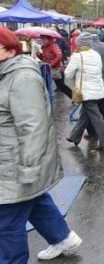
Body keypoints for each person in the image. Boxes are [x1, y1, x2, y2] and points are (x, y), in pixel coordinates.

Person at [0, 27, 83, 262]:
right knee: (34, 200)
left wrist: (29, 168)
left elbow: (34, 127)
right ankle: (62, 237)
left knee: (5, 224)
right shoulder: (6, 73)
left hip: (14, 164)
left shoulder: (22, 77)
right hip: (12, 160)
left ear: (8, 49)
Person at [64, 32, 104, 151]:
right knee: (84, 115)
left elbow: (67, 75)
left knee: (96, 117)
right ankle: (74, 137)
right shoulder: (96, 54)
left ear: (79, 44)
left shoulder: (77, 56)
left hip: (86, 92)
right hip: (98, 90)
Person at [38, 34, 73, 99]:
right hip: (48, 69)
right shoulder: (44, 47)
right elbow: (44, 58)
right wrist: (38, 54)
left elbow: (59, 55)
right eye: (42, 38)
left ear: (47, 39)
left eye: (43, 39)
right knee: (47, 85)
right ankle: (47, 100)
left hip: (56, 68)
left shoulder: (53, 45)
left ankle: (74, 97)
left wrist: (51, 64)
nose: (42, 40)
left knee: (61, 86)